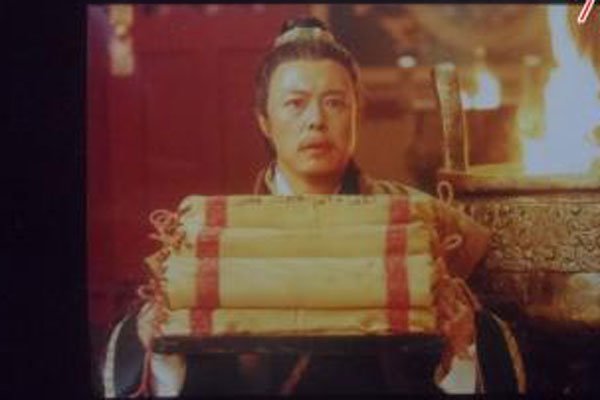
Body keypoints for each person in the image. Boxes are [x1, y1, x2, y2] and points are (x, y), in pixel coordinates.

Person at [102, 16, 525, 396]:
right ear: (264, 122)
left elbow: (470, 357)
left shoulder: (418, 225)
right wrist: (162, 348)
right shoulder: (215, 236)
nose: (316, 121)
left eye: (334, 102)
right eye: (295, 102)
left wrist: (462, 350)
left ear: (357, 114)